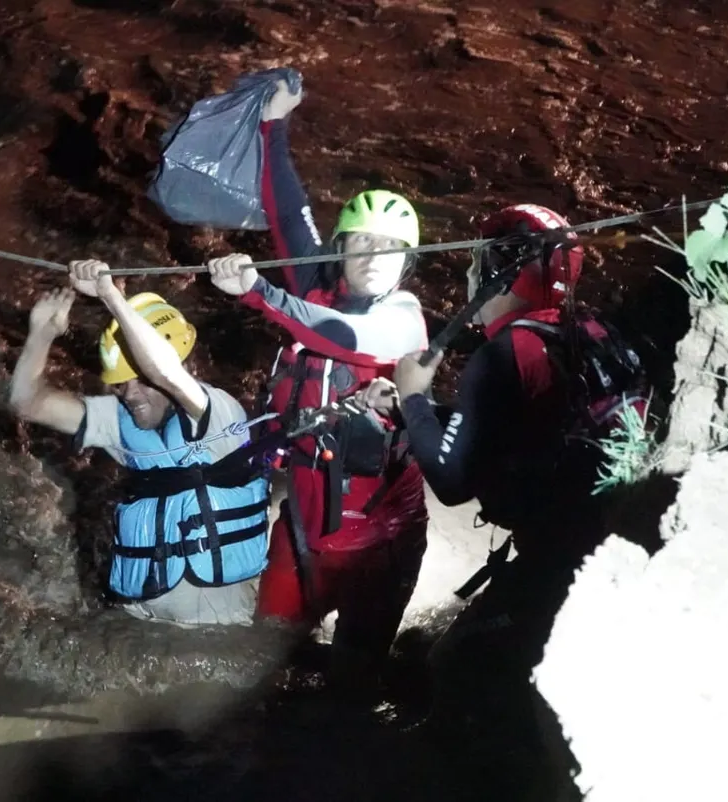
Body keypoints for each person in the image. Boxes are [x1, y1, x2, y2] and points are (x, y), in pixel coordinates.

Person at [202, 78, 431, 685]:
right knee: (263, 666)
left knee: (354, 687)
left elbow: (344, 339)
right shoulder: (314, 289)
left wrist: (257, 291)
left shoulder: (405, 321)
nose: (374, 255)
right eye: (362, 241)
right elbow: (288, 214)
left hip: (381, 542)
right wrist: (275, 126)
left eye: (391, 247)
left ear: (407, 262)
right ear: (343, 248)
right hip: (302, 530)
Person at [8, 258, 271, 628]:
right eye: (120, 384)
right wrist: (42, 334)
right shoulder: (120, 423)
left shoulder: (216, 414)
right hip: (139, 620)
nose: (131, 394)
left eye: (139, 380)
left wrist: (110, 296)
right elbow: (27, 402)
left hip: (215, 628)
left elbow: (162, 370)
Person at [386, 203, 650, 554]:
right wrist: (428, 413)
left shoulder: (503, 354)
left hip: (556, 555)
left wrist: (412, 397)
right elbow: (509, 432)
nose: (470, 273)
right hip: (613, 529)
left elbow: (451, 482)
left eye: (478, 262)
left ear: (501, 273)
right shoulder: (593, 330)